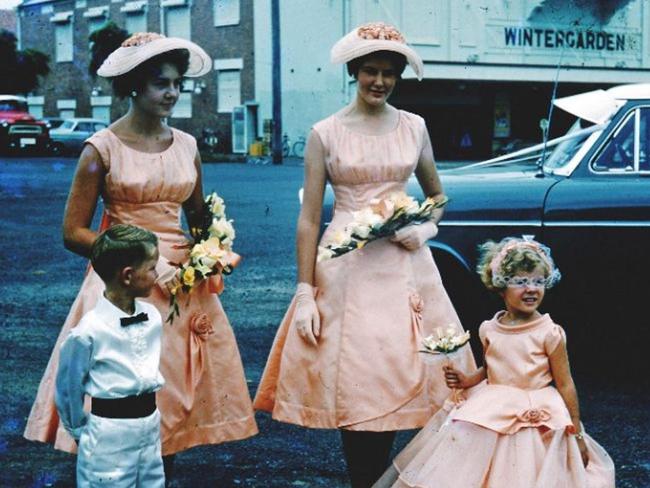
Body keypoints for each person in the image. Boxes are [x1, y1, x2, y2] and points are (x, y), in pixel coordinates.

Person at [254, 22, 474, 487]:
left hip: (403, 268)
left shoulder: (414, 126)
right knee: (358, 379)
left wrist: (425, 227)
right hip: (345, 270)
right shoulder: (325, 133)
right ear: (354, 72)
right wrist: (305, 291)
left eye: (389, 73)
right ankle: (366, 479)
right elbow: (310, 218)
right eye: (370, 71)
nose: (379, 81)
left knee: (403, 372)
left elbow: (437, 196)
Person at [24, 32, 257, 471]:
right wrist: (135, 261)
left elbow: (198, 218)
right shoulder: (101, 149)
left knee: (173, 393)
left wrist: (212, 248)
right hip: (124, 284)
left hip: (183, 285)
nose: (171, 92)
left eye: (176, 84)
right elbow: (73, 232)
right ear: (133, 85)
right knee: (129, 394)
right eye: (159, 83)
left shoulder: (187, 146)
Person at [374, 237, 615, 488]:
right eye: (521, 281)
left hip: (536, 410)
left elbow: (565, 384)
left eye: (539, 281)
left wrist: (576, 432)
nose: (532, 288)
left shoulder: (550, 332)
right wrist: (467, 380)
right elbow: (491, 368)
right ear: (500, 285)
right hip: (492, 407)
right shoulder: (489, 328)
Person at [56, 224, 165, 487]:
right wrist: (82, 432)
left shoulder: (152, 317)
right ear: (128, 276)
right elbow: (68, 389)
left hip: (149, 427)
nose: (157, 274)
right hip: (108, 436)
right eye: (151, 268)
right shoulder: (88, 332)